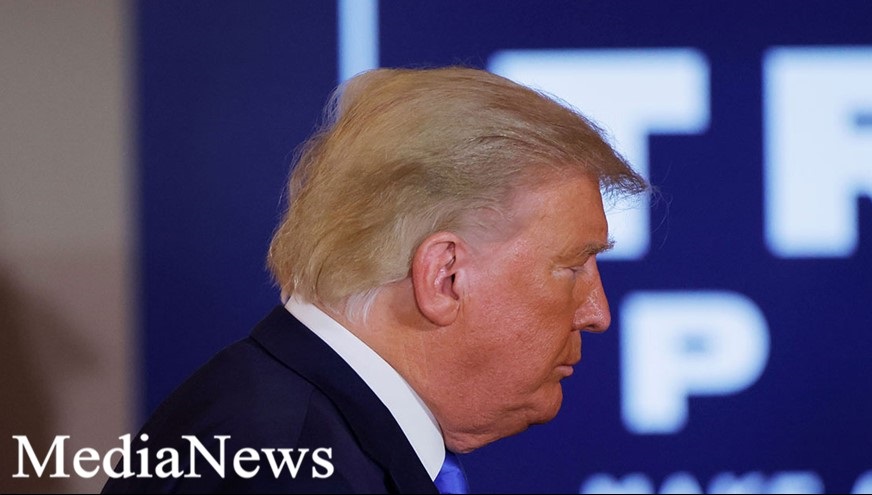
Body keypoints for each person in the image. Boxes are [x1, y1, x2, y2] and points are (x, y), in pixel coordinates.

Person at [102, 66, 646, 494]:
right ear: (445, 276)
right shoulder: (285, 472)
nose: (597, 313)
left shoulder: (299, 435)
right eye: (572, 267)